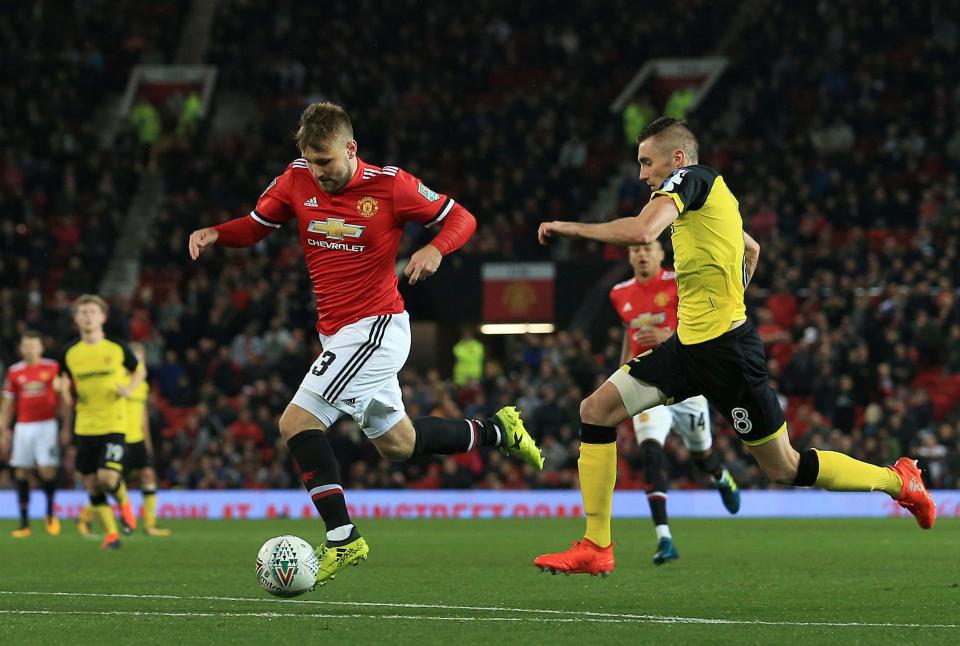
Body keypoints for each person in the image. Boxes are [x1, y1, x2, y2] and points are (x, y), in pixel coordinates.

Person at [533, 117, 935, 576]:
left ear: (677, 159)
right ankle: (597, 545)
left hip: (728, 354)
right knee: (596, 410)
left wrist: (570, 228)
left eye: (647, 162)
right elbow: (753, 249)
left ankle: (898, 480)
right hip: (687, 349)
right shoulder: (710, 201)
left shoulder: (693, 180)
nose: (642, 174)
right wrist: (729, 298)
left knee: (784, 468)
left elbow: (645, 232)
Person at [188, 101, 543, 586]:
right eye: (312, 162)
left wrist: (435, 247)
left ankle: (342, 538)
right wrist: (215, 233)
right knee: (400, 445)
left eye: (327, 162)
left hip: (376, 327)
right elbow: (256, 226)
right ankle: (498, 432)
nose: (320, 172)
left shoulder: (391, 185)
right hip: (338, 332)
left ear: (351, 149)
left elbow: (462, 218)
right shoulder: (296, 179)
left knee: (295, 421)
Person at [610, 240, 740, 565]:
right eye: (635, 250)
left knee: (701, 454)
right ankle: (664, 538)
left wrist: (668, 337)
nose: (641, 254)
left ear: (660, 254)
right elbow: (630, 336)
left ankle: (720, 475)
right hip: (647, 383)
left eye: (647, 249)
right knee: (651, 451)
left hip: (686, 383)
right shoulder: (619, 293)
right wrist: (619, 380)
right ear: (629, 256)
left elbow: (706, 323)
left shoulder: (678, 282)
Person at [61, 294, 144, 550]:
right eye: (83, 312)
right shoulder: (70, 353)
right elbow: (66, 388)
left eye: (92, 312)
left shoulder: (116, 348)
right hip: (84, 425)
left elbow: (140, 370)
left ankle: (124, 504)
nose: (87, 316)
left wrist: (130, 388)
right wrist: (63, 392)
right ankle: (111, 535)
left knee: (107, 478)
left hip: (113, 424)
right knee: (90, 483)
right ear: (76, 318)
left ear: (102, 317)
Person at [0, 331, 72, 537]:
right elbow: (8, 403)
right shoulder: (14, 371)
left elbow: (65, 402)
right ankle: (24, 523)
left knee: (47, 471)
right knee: (21, 472)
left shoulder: (52, 367)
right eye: (26, 346)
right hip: (23, 427)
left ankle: (50, 514)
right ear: (21, 349)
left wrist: (66, 427)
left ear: (41, 348)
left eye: (34, 345)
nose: (30, 349)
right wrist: (3, 428)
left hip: (47, 426)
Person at [118, 342, 170, 537]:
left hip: (138, 439)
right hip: (120, 437)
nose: (138, 361)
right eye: (134, 357)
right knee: (113, 482)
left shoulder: (143, 385)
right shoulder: (119, 380)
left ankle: (150, 525)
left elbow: (143, 415)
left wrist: (147, 441)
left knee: (148, 475)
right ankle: (87, 515)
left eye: (141, 358)